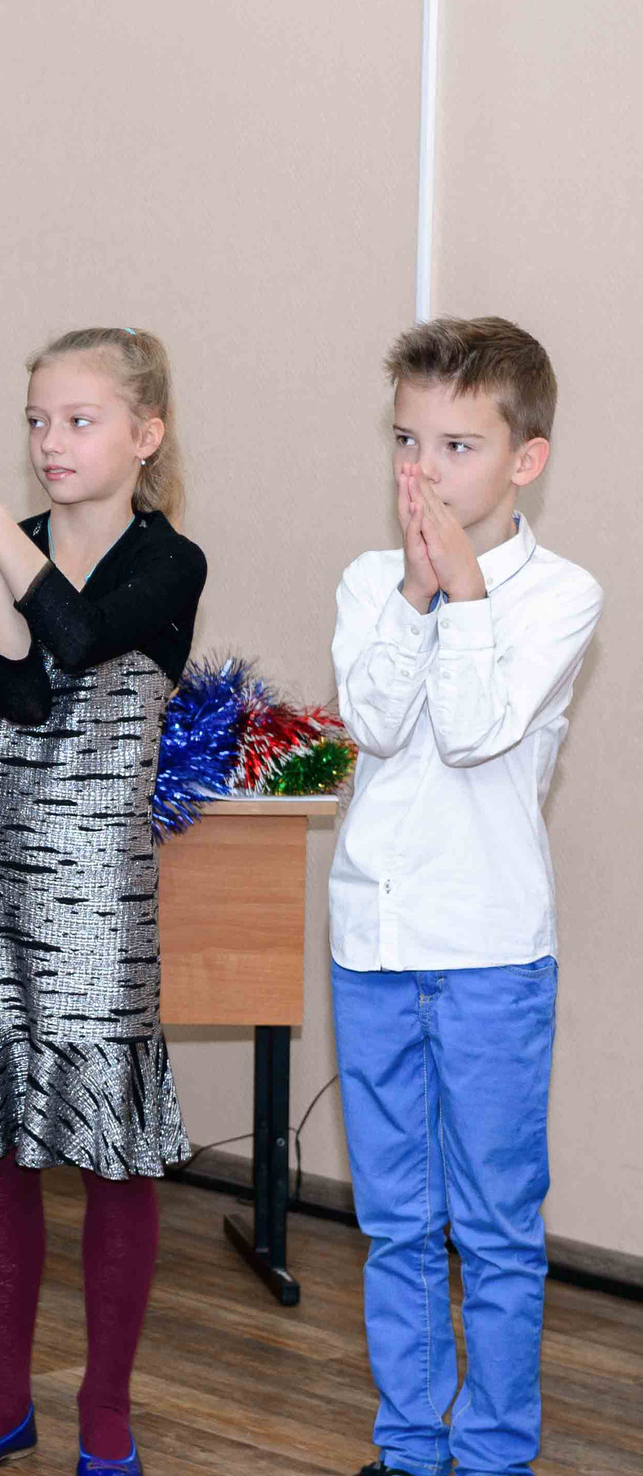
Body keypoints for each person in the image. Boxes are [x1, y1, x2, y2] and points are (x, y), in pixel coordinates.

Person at [0, 327, 206, 1476]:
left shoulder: (168, 562)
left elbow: (77, 629)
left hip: (98, 882)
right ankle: (2, 1399)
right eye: (37, 420)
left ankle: (104, 1411)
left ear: (143, 434)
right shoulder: (0, 550)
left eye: (78, 420)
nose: (52, 442)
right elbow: (21, 691)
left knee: (110, 1150)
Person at [329, 319, 598, 1476]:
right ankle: (407, 1444)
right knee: (395, 1224)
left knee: (492, 1229)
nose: (422, 474)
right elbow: (380, 722)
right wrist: (417, 591)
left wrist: (468, 591)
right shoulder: (366, 583)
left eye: (454, 446)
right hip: (372, 941)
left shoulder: (560, 595)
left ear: (522, 459)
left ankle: (490, 1453)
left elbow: (477, 729)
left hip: (489, 951)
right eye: (406, 440)